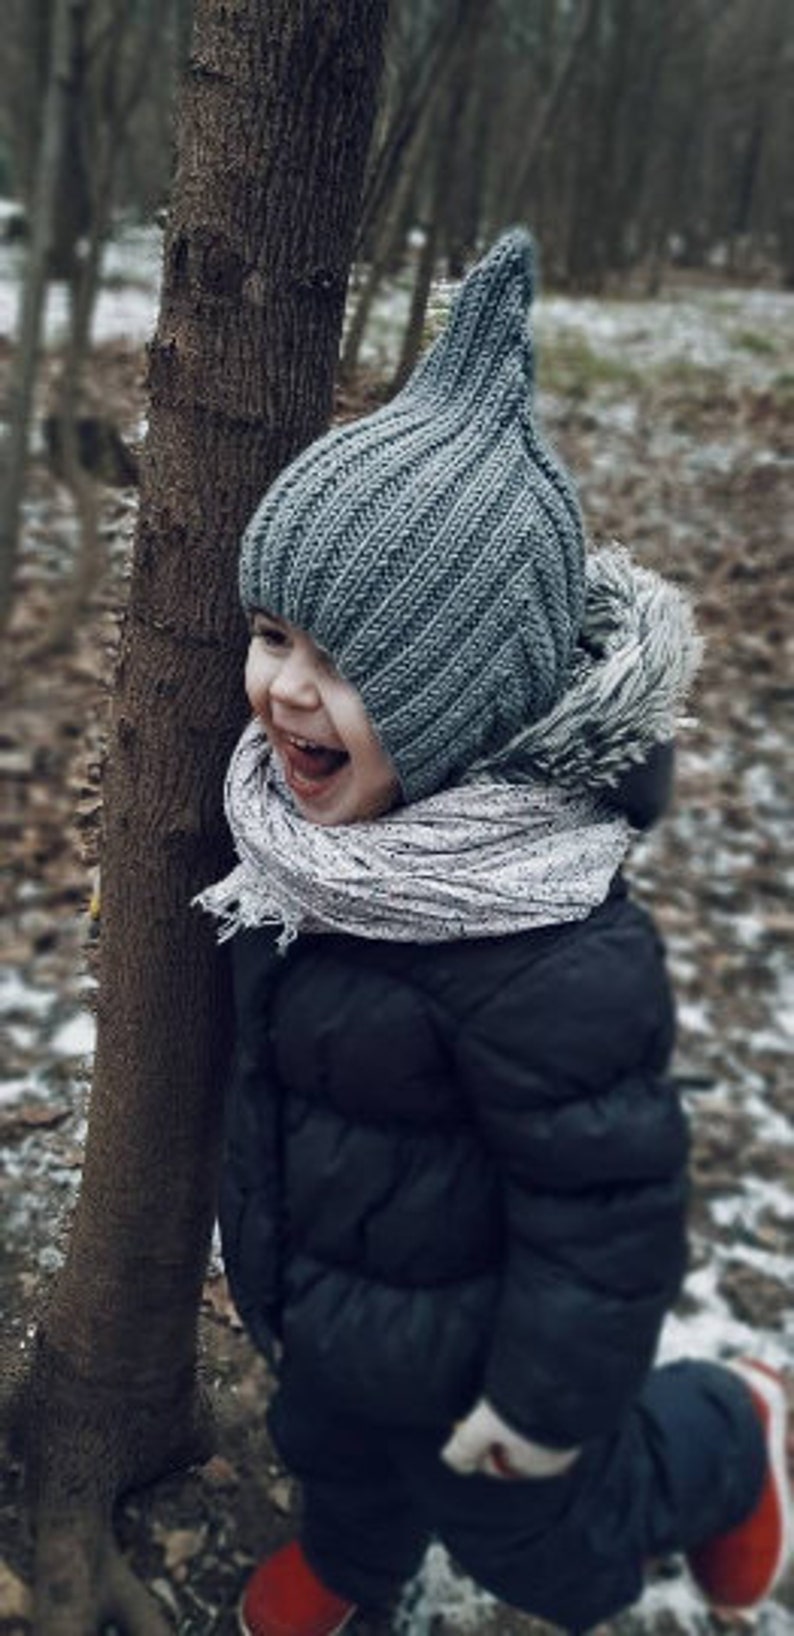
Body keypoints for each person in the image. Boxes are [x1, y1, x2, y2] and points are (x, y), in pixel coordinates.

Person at [197, 232, 791, 1636]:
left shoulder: (544, 947)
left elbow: (607, 1214)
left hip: (485, 1354)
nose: (283, 693)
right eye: (275, 634)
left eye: (347, 665)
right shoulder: (296, 846)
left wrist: (545, 1406)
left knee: (550, 1555)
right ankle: (355, 1561)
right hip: (328, 1301)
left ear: (463, 706)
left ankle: (726, 1435)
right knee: (331, 1445)